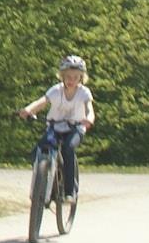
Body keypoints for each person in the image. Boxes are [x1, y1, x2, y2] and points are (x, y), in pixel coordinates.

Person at [18, 55, 93, 202]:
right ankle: (43, 178)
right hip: (55, 127)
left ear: (81, 78)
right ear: (62, 76)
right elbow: (42, 102)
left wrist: (89, 119)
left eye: (76, 77)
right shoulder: (56, 90)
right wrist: (28, 110)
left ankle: (69, 191)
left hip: (75, 128)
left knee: (68, 148)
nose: (71, 80)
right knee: (39, 149)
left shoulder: (84, 92)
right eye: (68, 76)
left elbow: (89, 109)